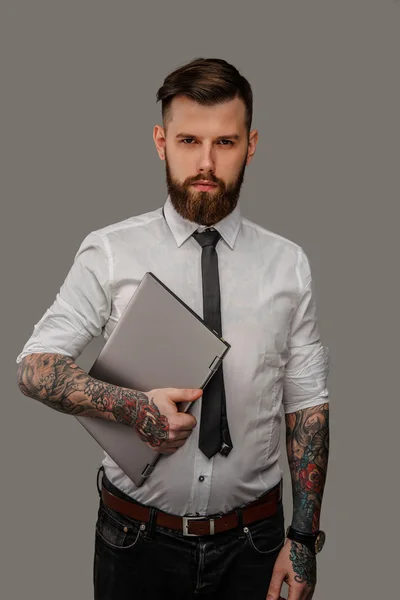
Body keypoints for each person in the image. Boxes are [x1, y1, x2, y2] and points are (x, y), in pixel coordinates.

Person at [16, 57, 330, 600]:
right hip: (133, 540)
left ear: (251, 145)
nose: (205, 163)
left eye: (225, 143)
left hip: (256, 545)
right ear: (161, 141)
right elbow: (34, 366)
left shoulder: (289, 264)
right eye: (189, 141)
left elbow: (308, 406)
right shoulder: (110, 252)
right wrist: (133, 408)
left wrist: (301, 541)